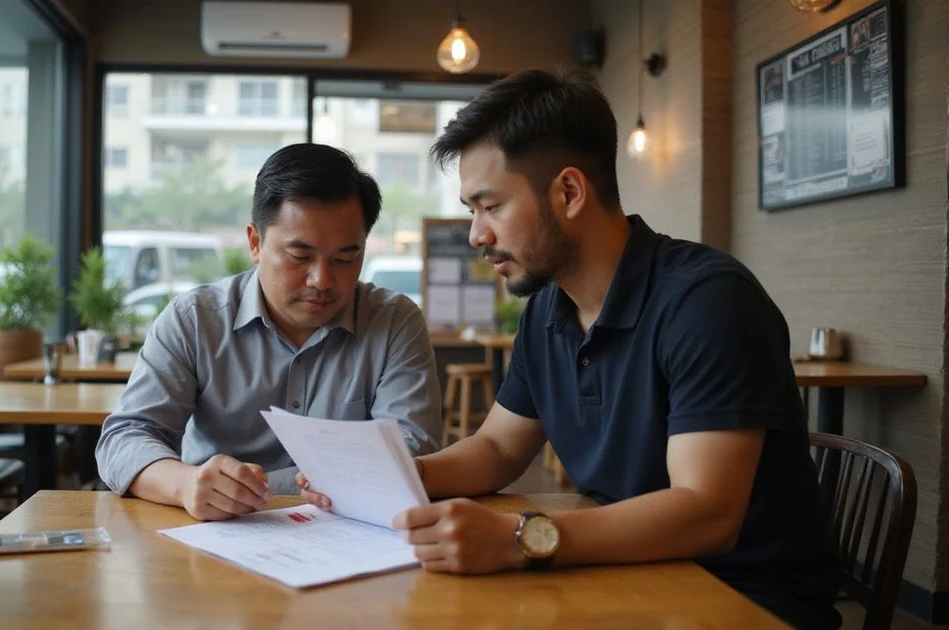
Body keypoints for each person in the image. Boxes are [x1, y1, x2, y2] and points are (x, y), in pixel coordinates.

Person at [298, 69, 841, 629]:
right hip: (628, 575)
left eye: (490, 206)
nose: (476, 235)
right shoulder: (548, 310)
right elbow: (498, 451)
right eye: (471, 211)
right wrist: (387, 476)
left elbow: (707, 513)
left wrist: (520, 538)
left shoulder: (708, 302)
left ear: (569, 192)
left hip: (740, 598)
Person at [97, 143, 442, 521]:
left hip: (352, 536)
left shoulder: (394, 323)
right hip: (215, 533)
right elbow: (124, 438)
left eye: (345, 258)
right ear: (255, 243)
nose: (322, 280)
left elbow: (414, 453)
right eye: (299, 256)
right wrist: (186, 483)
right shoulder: (195, 320)